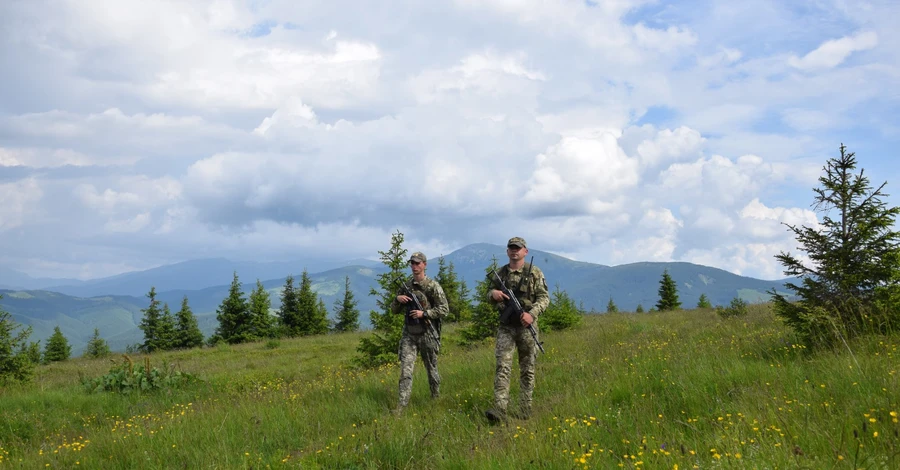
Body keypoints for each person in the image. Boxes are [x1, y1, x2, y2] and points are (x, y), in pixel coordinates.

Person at [484, 237, 549, 423]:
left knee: (527, 369)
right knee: (503, 367)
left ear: (525, 251)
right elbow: (488, 293)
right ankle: (500, 410)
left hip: (527, 327)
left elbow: (544, 298)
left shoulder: (534, 272)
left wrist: (532, 314)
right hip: (506, 327)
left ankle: (525, 408)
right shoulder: (500, 273)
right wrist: (493, 294)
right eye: (511, 248)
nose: (515, 251)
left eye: (518, 248)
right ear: (507, 251)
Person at [391, 251, 448, 414]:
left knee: (431, 369)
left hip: (428, 333)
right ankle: (401, 406)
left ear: (424, 264)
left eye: (418, 263)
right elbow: (394, 310)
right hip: (409, 334)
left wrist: (425, 314)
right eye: (412, 263)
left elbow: (444, 309)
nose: (414, 266)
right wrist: (397, 299)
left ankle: (435, 399)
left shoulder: (432, 286)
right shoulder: (406, 286)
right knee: (405, 370)